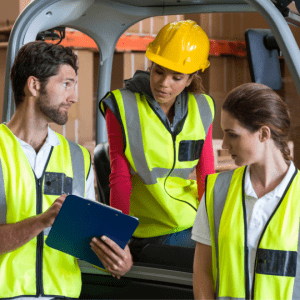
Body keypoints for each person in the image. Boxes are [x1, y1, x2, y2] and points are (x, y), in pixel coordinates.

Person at [0, 41, 132, 299]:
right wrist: (41, 221)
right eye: (66, 84)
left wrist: (118, 259)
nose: (73, 97)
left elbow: (87, 240)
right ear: (34, 85)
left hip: (62, 295)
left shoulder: (78, 157)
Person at [100, 20, 215, 261]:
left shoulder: (203, 108)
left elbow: (206, 174)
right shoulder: (122, 105)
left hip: (188, 220)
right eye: (159, 71)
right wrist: (118, 239)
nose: (164, 84)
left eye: (177, 77)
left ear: (192, 78)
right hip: (147, 228)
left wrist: (210, 228)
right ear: (150, 65)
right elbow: (119, 177)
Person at [192, 83, 300, 300]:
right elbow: (202, 271)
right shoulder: (216, 191)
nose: (224, 144)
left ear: (263, 134)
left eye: (232, 135)